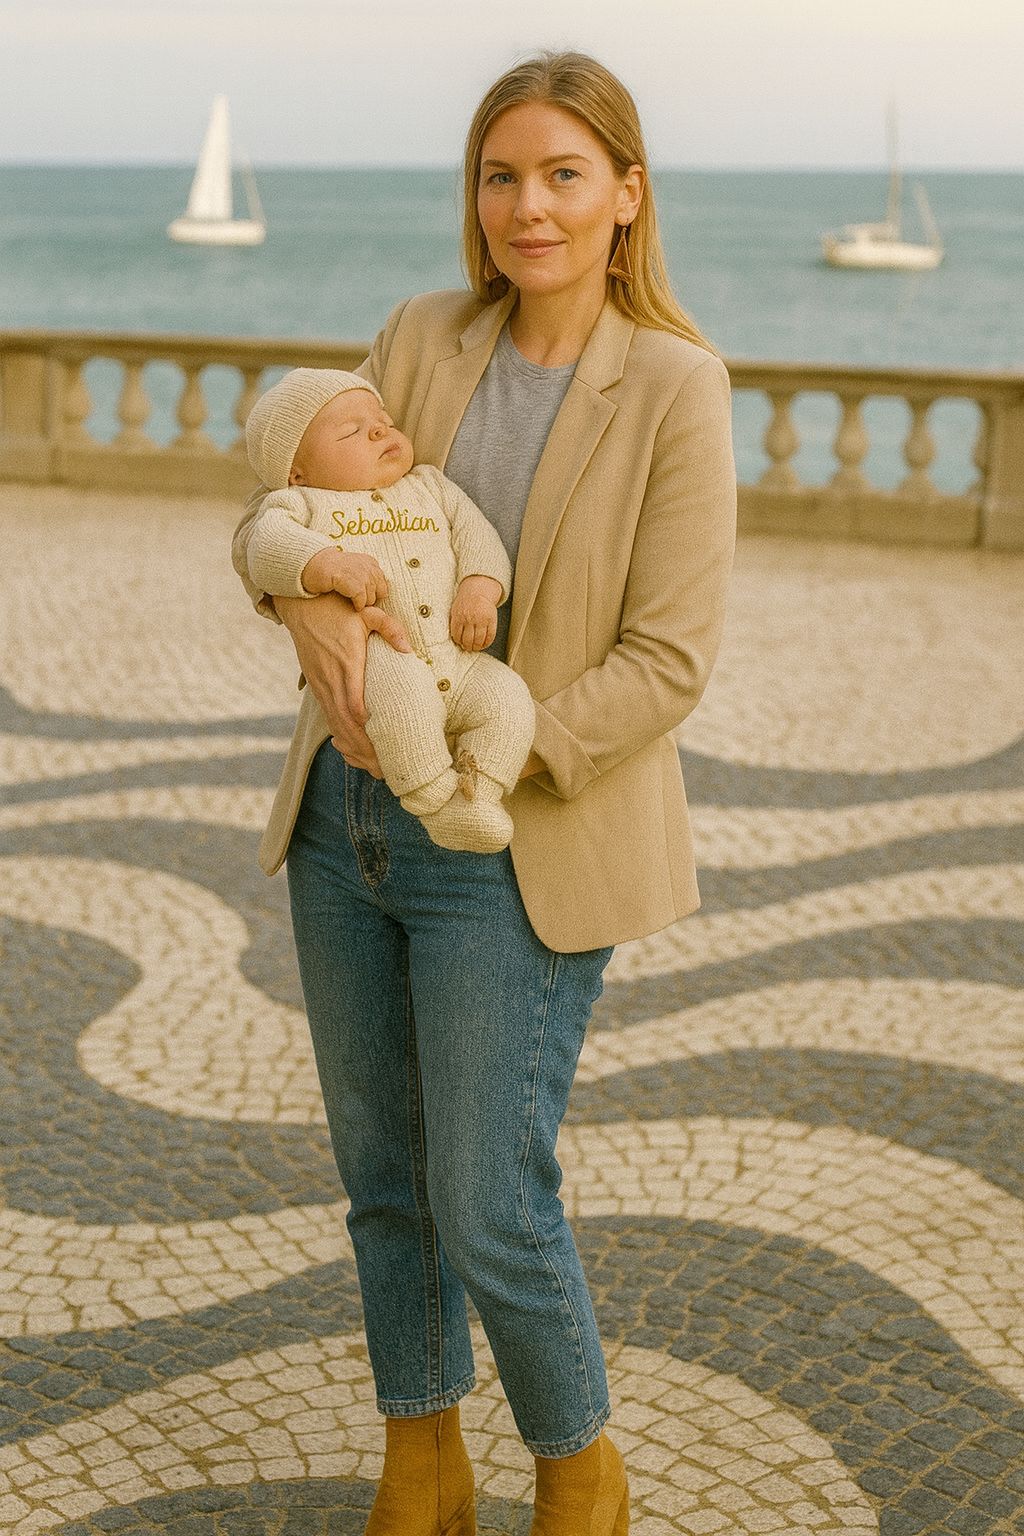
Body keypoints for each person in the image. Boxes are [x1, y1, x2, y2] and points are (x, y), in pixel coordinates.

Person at [232, 49, 736, 1536]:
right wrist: (309, 609)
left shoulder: (677, 388)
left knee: (491, 1200)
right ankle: (423, 1461)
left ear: (627, 198)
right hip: (344, 825)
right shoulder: (419, 334)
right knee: (384, 1178)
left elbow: (670, 660)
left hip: (515, 840)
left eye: (565, 174)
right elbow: (283, 506)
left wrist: (489, 754)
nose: (530, 204)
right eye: (502, 173)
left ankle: (579, 1467)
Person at [243, 367, 536, 853]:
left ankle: (480, 791)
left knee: (508, 699)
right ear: (298, 472)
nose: (380, 429)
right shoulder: (299, 505)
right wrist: (326, 564)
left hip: (458, 655)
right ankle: (435, 800)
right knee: (404, 709)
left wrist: (480, 590)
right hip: (387, 655)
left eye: (383, 419)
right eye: (351, 432)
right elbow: (265, 548)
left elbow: (476, 534)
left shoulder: (430, 485)